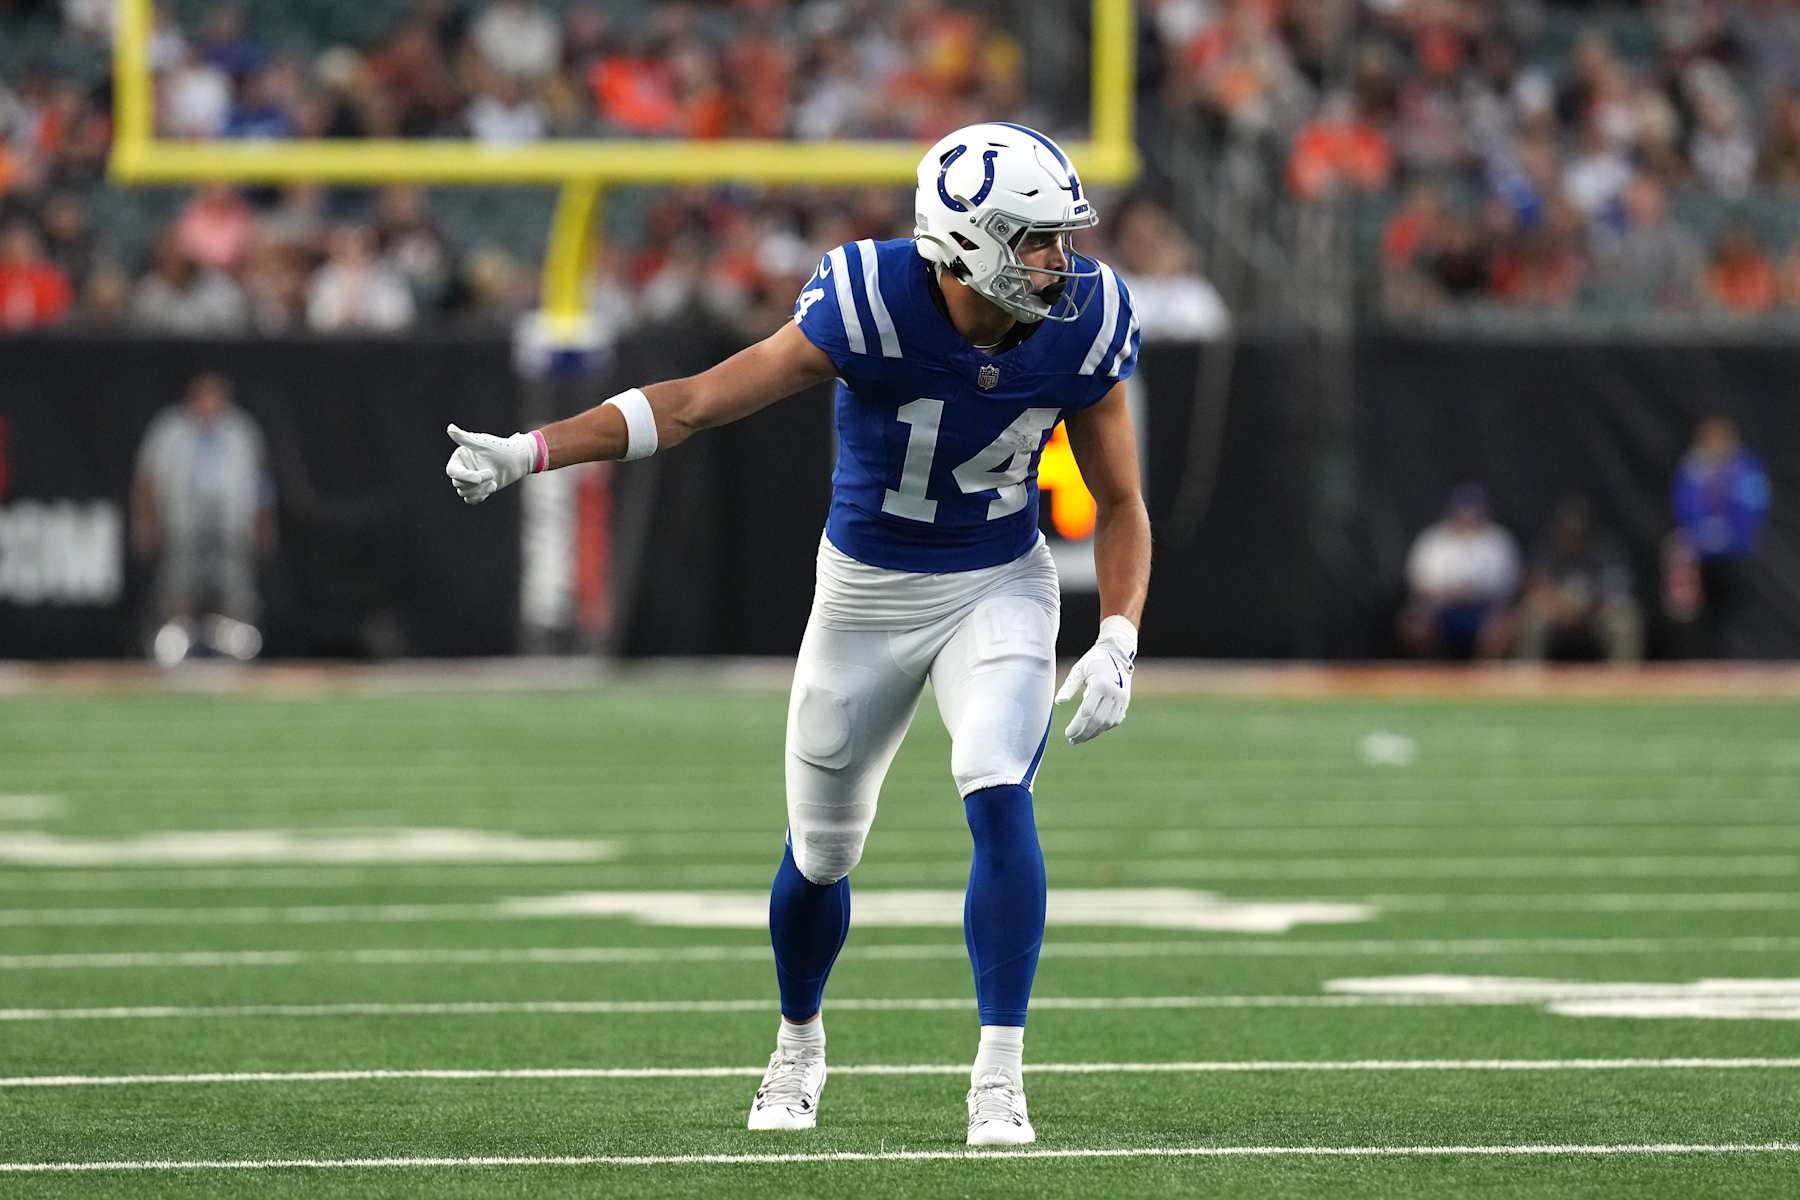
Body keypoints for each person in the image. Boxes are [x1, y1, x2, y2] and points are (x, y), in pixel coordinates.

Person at [443, 123, 1149, 1147]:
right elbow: (692, 405)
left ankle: (999, 1076)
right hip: (864, 597)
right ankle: (798, 1042)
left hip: (999, 582)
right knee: (821, 852)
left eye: (1062, 239)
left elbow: (1122, 502)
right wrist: (535, 448)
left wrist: (1120, 631)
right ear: (967, 242)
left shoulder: (1086, 323)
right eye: (1037, 241)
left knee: (998, 785)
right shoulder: (869, 300)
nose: (1063, 263)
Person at [131, 372, 274, 663]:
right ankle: (172, 650)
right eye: (203, 395)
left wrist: (263, 524)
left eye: (215, 396)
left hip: (232, 527)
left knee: (235, 591)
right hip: (182, 525)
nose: (209, 403)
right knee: (178, 588)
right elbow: (147, 480)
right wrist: (146, 522)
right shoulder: (170, 429)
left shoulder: (241, 429)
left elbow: (260, 481)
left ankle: (236, 650)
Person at [1670, 414, 1771, 657]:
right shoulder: (1694, 469)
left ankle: (1740, 657)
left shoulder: (1745, 468)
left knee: (1735, 608)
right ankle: (1696, 657)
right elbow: (1683, 504)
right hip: (1701, 552)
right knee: (1692, 603)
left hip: (1737, 550)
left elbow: (1754, 507)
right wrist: (1701, 533)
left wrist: (1729, 533)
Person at [1397, 483, 1520, 659]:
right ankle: (1430, 676)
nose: (1468, 515)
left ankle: (1486, 678)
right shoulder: (1433, 539)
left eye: (1473, 509)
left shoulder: (1497, 539)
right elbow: (1418, 584)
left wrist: (1470, 592)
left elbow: (1507, 587)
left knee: (1503, 626)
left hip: (1483, 610)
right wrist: (1447, 593)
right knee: (1414, 624)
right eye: (1464, 509)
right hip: (1440, 609)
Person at [1517, 495, 1643, 663]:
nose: (1574, 526)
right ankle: (1528, 679)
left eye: (1579, 520)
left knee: (1625, 618)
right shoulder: (1550, 547)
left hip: (1597, 608)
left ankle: (1623, 681)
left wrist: (1587, 606)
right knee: (1530, 615)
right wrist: (1558, 607)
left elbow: (1616, 588)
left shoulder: (1605, 548)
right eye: (1569, 521)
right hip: (1557, 607)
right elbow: (1535, 581)